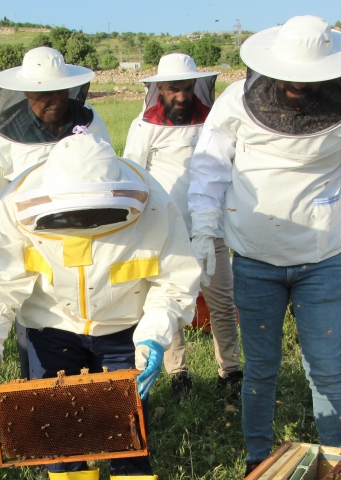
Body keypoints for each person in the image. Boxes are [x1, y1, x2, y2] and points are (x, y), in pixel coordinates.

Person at [0, 130, 199, 480]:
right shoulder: (15, 206)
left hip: (123, 328)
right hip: (51, 329)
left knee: (128, 436)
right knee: (61, 435)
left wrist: (153, 337)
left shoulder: (154, 205)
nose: (81, 223)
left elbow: (175, 281)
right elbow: (1, 283)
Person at [188, 16, 341, 473]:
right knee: (260, 371)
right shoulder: (234, 103)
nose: (298, 87)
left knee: (325, 369)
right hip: (254, 259)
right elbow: (208, 170)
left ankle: (339, 461)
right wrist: (204, 231)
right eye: (291, 78)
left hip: (322, 260)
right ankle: (256, 462)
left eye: (310, 79)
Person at [0, 46, 111, 380]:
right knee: (43, 345)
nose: (52, 101)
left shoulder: (90, 120)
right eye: (42, 95)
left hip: (86, 243)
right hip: (30, 247)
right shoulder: (4, 130)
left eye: (58, 92)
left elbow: (108, 176)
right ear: (25, 92)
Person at [123, 53, 242, 400]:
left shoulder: (212, 122)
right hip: (166, 233)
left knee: (221, 301)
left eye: (187, 89)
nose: (181, 96)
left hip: (211, 226)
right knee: (168, 303)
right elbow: (133, 175)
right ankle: (179, 374)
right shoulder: (144, 126)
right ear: (160, 88)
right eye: (174, 89)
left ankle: (231, 371)